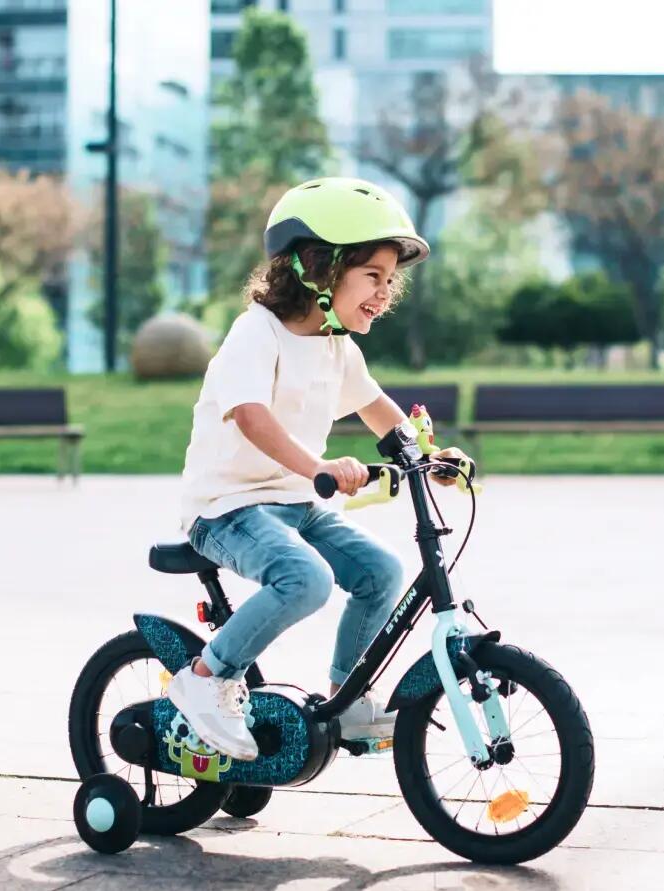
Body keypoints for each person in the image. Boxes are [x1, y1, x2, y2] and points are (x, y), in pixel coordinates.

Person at [166, 177, 472, 761]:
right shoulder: (257, 333)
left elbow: (378, 409)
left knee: (381, 570)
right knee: (305, 579)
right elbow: (250, 416)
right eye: (373, 277)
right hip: (227, 509)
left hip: (296, 507)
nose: (386, 294)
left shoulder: (337, 346)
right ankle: (205, 680)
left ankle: (347, 697)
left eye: (391, 281)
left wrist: (425, 458)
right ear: (317, 269)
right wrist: (319, 467)